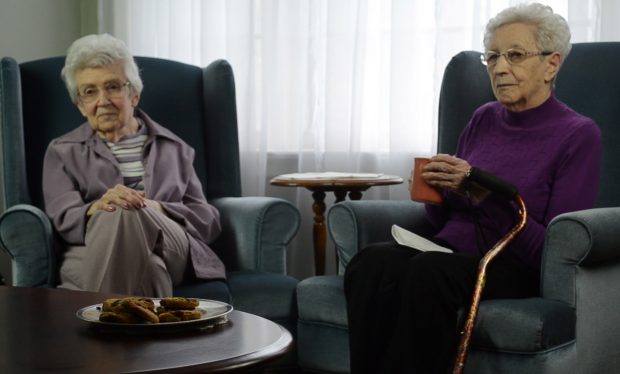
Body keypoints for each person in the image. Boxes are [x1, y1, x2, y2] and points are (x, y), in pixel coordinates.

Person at [344, 3, 602, 373]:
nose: (499, 68)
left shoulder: (578, 135)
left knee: (428, 271)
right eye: (493, 56)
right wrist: (437, 189)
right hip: (449, 252)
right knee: (371, 262)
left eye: (514, 55)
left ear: (551, 64)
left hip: (509, 263)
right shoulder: (483, 118)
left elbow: (554, 250)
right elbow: (442, 217)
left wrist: (486, 199)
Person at [42, 34, 224, 297]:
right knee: (148, 268)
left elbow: (208, 220)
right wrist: (100, 206)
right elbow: (63, 220)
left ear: (134, 94)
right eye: (90, 92)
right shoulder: (62, 152)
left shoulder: (175, 148)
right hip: (90, 247)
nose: (103, 100)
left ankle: (98, 332)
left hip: (170, 246)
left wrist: (155, 208)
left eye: (113, 86)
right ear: (81, 105)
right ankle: (147, 334)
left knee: (123, 209)